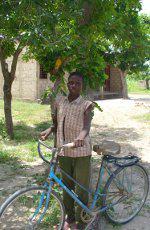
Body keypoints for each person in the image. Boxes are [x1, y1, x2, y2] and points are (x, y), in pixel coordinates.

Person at [40, 72, 94, 230]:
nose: (73, 86)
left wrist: (81, 137)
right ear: (67, 83)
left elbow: (86, 127)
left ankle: (82, 221)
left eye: (77, 83)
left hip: (81, 151)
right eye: (71, 82)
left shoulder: (86, 105)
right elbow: (57, 123)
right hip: (64, 151)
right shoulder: (60, 102)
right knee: (66, 187)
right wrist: (49, 130)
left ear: (81, 86)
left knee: (82, 189)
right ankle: (69, 218)